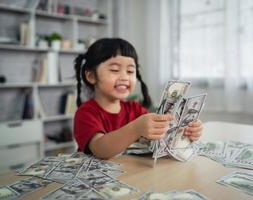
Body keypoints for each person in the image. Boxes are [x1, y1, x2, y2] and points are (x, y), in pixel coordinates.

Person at [73, 38, 203, 159]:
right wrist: (135, 129)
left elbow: (156, 136)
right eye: (114, 69)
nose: (124, 77)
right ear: (91, 76)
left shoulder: (134, 109)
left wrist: (184, 131)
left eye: (130, 71)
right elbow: (100, 149)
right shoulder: (85, 113)